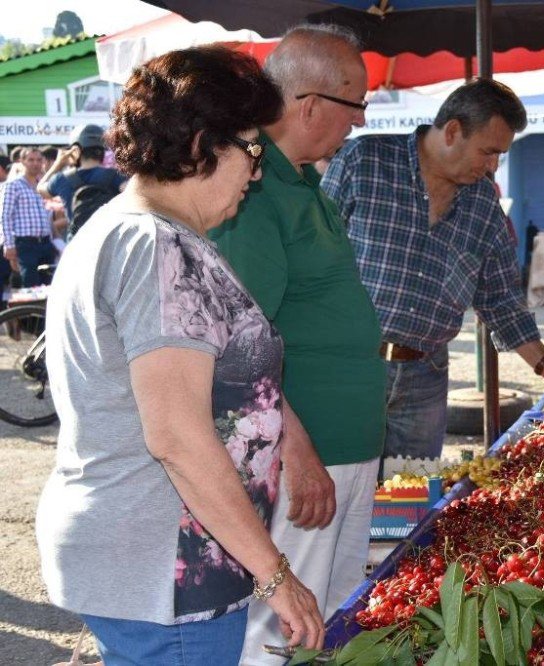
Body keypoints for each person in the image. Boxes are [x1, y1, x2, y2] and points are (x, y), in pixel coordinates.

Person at [35, 46, 324, 666]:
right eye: (251, 151)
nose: (256, 172)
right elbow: (177, 435)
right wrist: (277, 576)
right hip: (163, 565)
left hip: (153, 556)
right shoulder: (158, 248)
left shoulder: (136, 230)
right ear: (201, 144)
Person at [207, 26, 384, 665]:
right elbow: (240, 349)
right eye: (356, 105)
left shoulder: (308, 184)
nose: (361, 122)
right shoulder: (256, 195)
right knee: (283, 628)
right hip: (311, 459)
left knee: (331, 616)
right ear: (310, 105)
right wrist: (298, 451)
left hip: (347, 448)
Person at [322, 77, 544, 462]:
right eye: (488, 152)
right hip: (348, 370)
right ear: (452, 131)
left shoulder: (483, 203)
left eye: (500, 155)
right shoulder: (363, 163)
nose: (493, 167)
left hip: (424, 380)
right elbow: (311, 259)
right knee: (339, 494)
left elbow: (501, 299)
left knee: (411, 502)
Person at [37, 123, 128, 234]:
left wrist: (58, 164)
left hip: (76, 245)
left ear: (76, 151)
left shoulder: (62, 179)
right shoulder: (115, 176)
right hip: (107, 243)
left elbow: (40, 189)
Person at [0, 147, 55, 286]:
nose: (35, 163)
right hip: (25, 244)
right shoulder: (13, 185)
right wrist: (9, 245)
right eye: (30, 160)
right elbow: (4, 216)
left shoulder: (42, 186)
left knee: (49, 285)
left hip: (45, 242)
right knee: (31, 285)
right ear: (22, 161)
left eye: (38, 160)